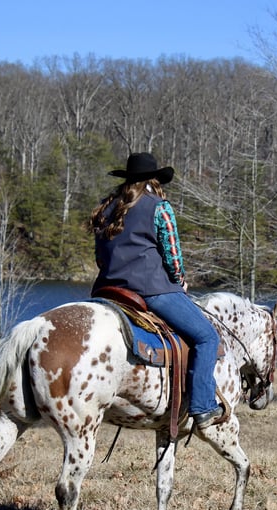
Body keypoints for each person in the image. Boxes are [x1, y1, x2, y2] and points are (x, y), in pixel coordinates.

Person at [90, 152, 224, 429]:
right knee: (207, 337)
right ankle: (203, 406)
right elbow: (173, 256)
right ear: (154, 180)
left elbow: (100, 257)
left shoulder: (106, 207)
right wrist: (180, 280)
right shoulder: (159, 207)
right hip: (151, 290)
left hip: (106, 290)